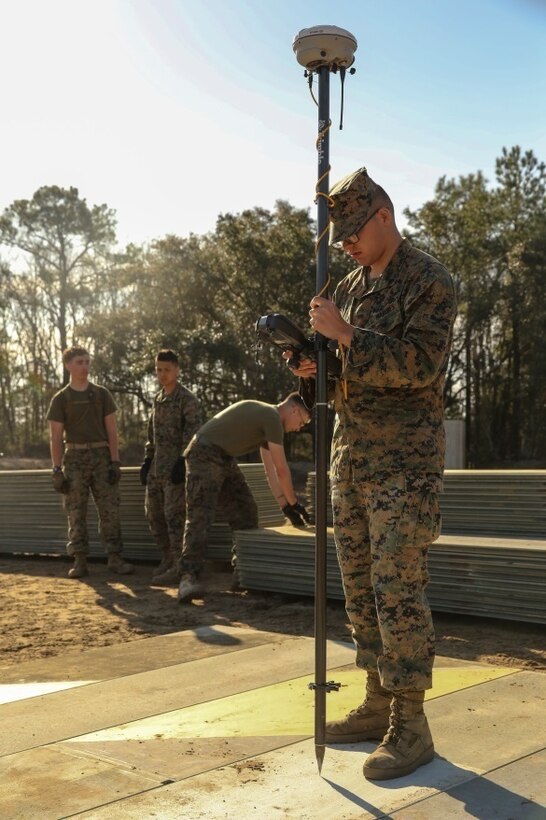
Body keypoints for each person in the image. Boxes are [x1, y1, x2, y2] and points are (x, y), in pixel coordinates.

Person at [287, 167, 457, 781]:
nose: (348, 244)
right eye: (341, 238)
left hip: (403, 468)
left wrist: (348, 335)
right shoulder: (352, 285)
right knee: (358, 587)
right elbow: (346, 366)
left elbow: (420, 364)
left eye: (355, 231)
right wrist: (315, 364)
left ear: (384, 216)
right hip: (351, 458)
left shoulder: (430, 281)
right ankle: (377, 700)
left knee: (397, 591)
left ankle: (412, 725)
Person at [178, 393, 311, 602]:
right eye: (302, 421)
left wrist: (285, 506)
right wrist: (295, 503)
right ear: (294, 410)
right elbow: (281, 469)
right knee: (200, 515)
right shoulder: (272, 417)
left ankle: (243, 574)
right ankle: (188, 578)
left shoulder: (267, 419)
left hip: (224, 457)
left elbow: (270, 471)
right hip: (204, 453)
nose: (299, 427)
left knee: (245, 510)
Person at [47, 346, 134, 579]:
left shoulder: (101, 394)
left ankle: (115, 558)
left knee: (110, 509)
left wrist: (115, 462)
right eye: (79, 362)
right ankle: (80, 560)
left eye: (87, 361)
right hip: (74, 458)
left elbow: (112, 430)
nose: (84, 366)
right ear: (68, 366)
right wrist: (56, 470)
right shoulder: (61, 399)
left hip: (101, 457)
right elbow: (55, 437)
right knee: (75, 511)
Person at [140, 349, 201, 585]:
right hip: (157, 469)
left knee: (175, 518)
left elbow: (194, 434)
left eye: (166, 369)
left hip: (176, 470)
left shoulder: (187, 400)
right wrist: (147, 459)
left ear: (177, 370)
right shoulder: (158, 399)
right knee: (154, 516)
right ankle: (167, 558)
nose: (162, 374)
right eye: (158, 369)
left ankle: (179, 565)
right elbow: (151, 433)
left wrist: (182, 461)